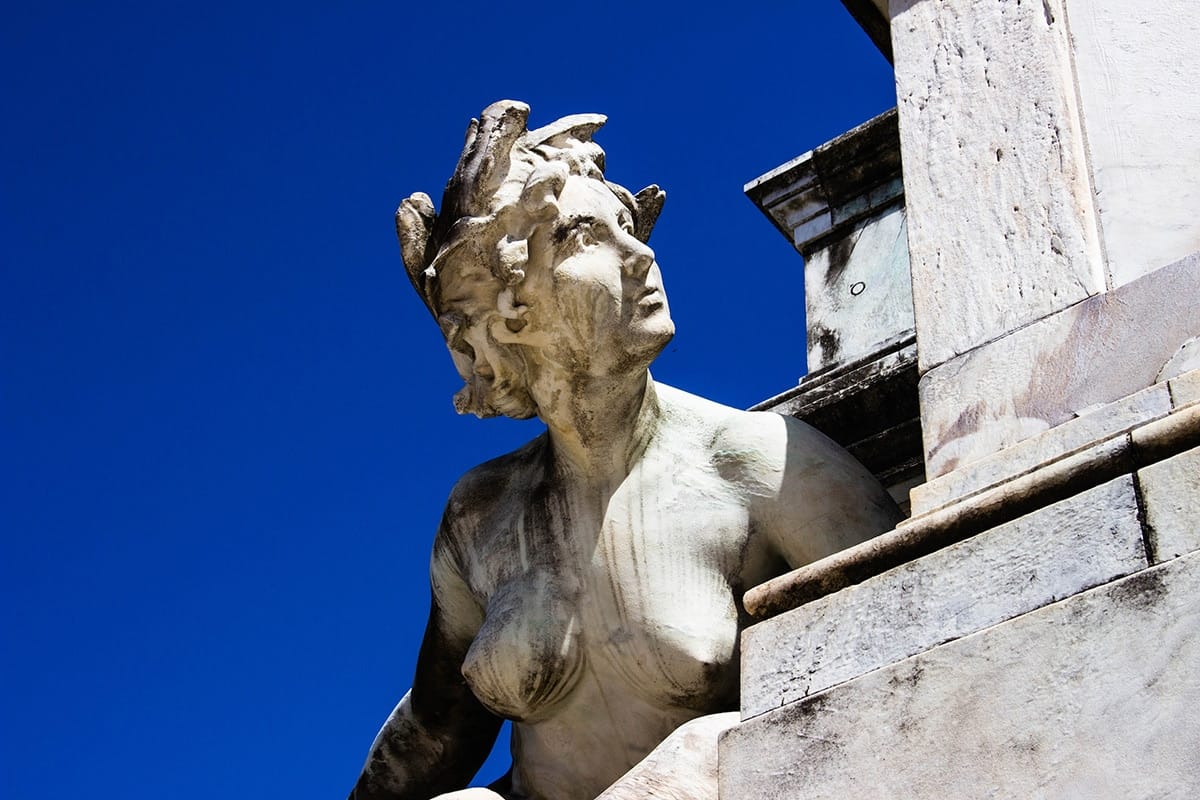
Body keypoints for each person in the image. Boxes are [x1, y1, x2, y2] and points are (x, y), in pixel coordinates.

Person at [349, 100, 900, 800]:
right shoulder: (479, 516)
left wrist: (707, 751)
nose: (640, 256)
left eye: (626, 228)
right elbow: (435, 730)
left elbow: (908, 654)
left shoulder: (766, 464)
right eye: (585, 236)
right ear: (505, 308)